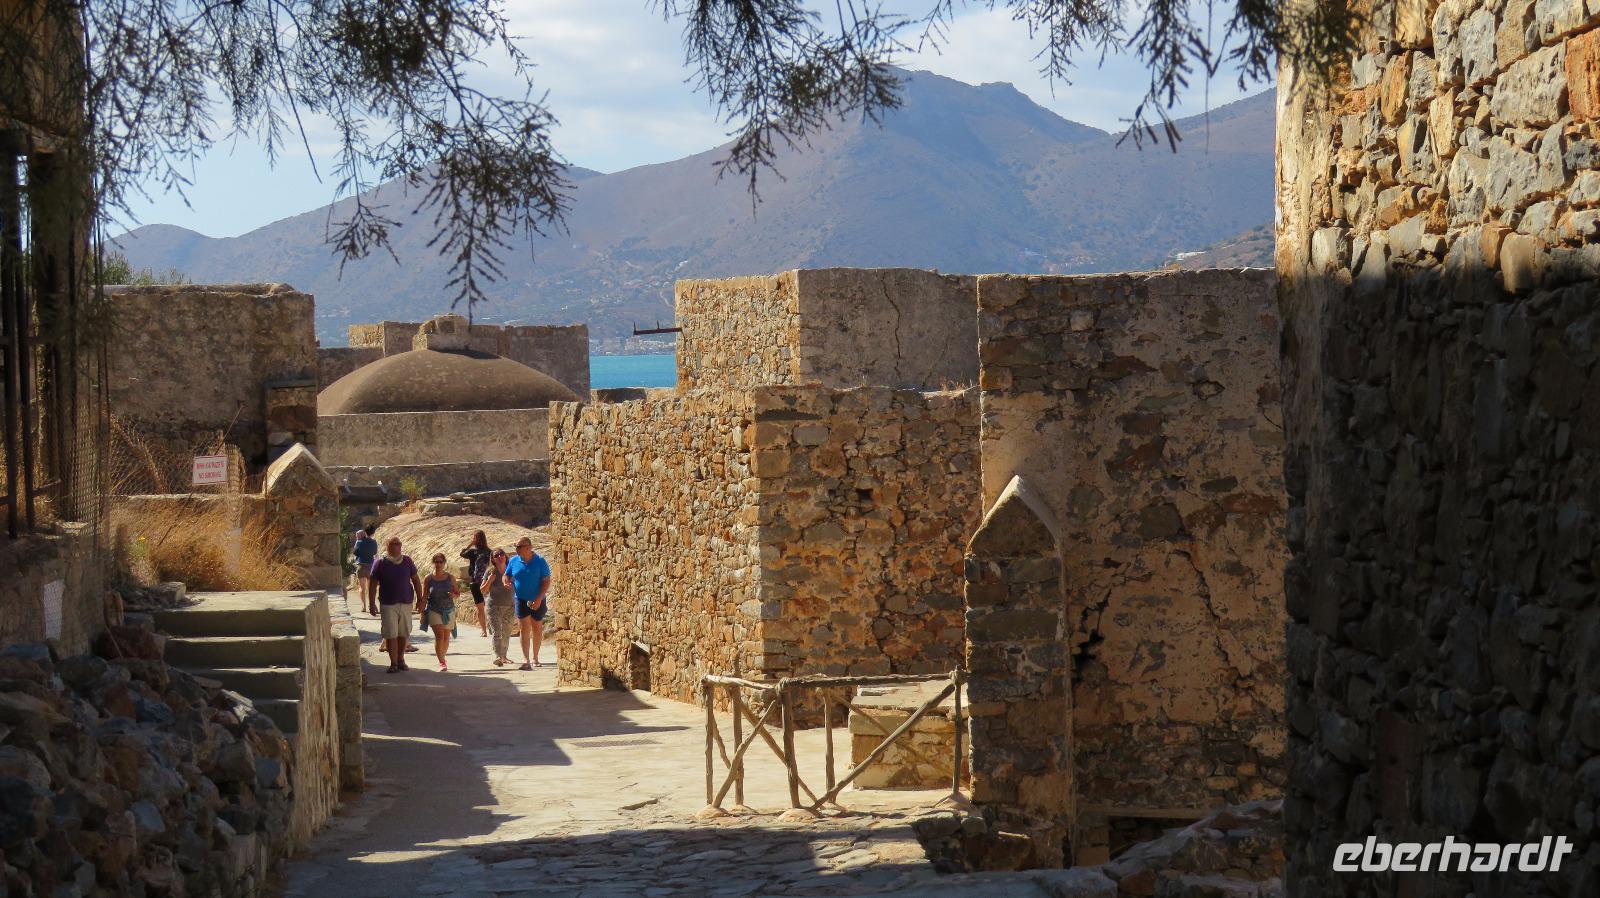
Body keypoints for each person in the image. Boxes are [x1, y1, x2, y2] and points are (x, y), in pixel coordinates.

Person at [371, 536, 422, 674]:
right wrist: (371, 603)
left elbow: (416, 580)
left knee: (403, 633)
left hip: (405, 603)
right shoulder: (380, 563)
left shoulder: (407, 561)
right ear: (387, 546)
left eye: (399, 543)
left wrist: (420, 599)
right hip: (388, 604)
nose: (397, 546)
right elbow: (373, 583)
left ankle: (401, 660)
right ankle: (393, 663)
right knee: (391, 634)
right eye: (394, 544)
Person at [502, 536, 551, 670]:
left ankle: (535, 657)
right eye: (516, 546)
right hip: (521, 599)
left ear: (528, 547)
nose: (516, 549)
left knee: (537, 627)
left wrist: (539, 598)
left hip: (538, 598)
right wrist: (505, 581)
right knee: (524, 628)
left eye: (519, 547)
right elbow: (506, 574)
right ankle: (526, 659)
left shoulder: (540, 561)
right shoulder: (514, 560)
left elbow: (546, 581)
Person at [423, 553, 460, 671]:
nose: (438, 564)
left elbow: (457, 593)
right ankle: (442, 662)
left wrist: (453, 595)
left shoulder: (450, 577)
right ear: (433, 563)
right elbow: (425, 596)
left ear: (444, 563)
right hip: (434, 609)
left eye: (441, 562)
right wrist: (422, 612)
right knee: (439, 636)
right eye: (436, 562)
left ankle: (442, 656)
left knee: (446, 637)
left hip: (448, 610)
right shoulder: (428, 578)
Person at [482, 548, 517, 667]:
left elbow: (519, 584)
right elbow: (483, 590)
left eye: (501, 554)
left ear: (505, 556)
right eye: (496, 555)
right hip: (494, 606)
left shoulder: (512, 569)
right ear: (493, 559)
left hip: (510, 605)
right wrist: (489, 581)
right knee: (497, 632)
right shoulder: (491, 572)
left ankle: (504, 656)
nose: (500, 556)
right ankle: (498, 656)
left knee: (506, 632)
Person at [460, 530, 492, 637]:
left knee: (489, 605)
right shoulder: (473, 552)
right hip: (474, 582)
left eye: (475, 538)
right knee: (480, 607)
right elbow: (462, 554)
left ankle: (491, 626)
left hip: (487, 581)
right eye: (474, 538)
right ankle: (483, 630)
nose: (474, 539)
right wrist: (470, 544)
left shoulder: (489, 552)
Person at [351, 529, 379, 615]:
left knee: (362, 587)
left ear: (361, 535)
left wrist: (357, 546)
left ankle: (364, 606)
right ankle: (372, 604)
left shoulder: (358, 542)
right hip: (370, 566)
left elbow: (355, 553)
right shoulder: (374, 542)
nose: (356, 538)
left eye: (357, 536)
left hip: (361, 566)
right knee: (371, 588)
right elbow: (375, 552)